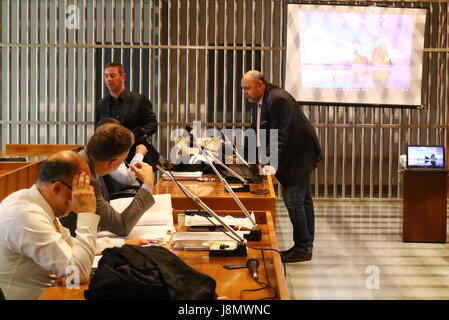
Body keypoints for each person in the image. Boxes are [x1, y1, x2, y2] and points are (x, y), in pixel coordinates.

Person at [0, 151, 148, 300]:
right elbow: (76, 273)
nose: (82, 197)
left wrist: (121, 243)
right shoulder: (26, 215)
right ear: (57, 188)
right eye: (79, 190)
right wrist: (87, 213)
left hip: (53, 292)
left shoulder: (39, 204)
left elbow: (72, 246)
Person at [241, 70, 323, 263]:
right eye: (243, 89)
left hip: (299, 155)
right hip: (293, 154)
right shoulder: (259, 101)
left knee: (294, 201)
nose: (245, 93)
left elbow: (280, 134)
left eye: (247, 88)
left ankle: (303, 248)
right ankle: (304, 246)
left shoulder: (278, 99)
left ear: (260, 85)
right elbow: (257, 129)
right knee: (303, 202)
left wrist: (271, 162)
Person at [60, 123, 155, 237]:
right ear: (113, 163)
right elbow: (122, 226)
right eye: (123, 161)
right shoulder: (85, 177)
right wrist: (148, 185)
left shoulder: (83, 160)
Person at [95, 62, 158, 163]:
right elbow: (98, 129)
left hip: (136, 155)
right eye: (106, 76)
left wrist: (136, 135)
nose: (108, 79)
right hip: (110, 159)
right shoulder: (101, 104)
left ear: (122, 77)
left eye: (112, 75)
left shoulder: (139, 100)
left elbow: (152, 124)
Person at [96, 117, 148, 190]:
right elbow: (128, 179)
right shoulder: (108, 154)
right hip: (127, 194)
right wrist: (139, 154)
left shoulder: (113, 150)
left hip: (134, 189)